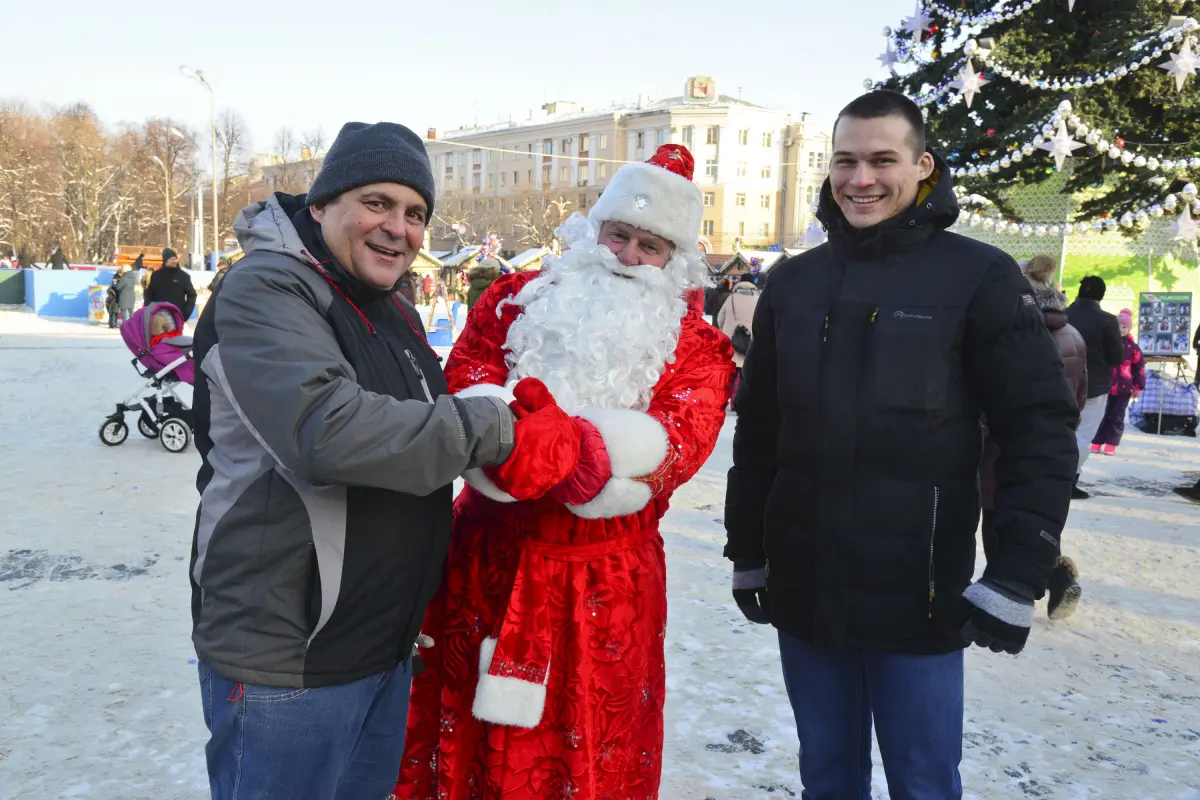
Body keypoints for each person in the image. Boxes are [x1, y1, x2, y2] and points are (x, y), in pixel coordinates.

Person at [189, 120, 580, 800]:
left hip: (381, 647)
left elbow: (425, 420)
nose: (398, 227)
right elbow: (325, 432)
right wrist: (497, 427)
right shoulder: (266, 290)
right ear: (321, 204)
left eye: (415, 213)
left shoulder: (388, 306)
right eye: (376, 202)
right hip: (290, 655)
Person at [723, 90, 1078, 799]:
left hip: (920, 595)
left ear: (922, 167)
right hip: (806, 588)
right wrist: (748, 553)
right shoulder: (793, 283)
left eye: (883, 160)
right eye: (846, 161)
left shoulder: (977, 276)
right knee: (827, 775)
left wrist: (1016, 573)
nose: (862, 180)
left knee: (922, 781)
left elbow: (1036, 429)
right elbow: (760, 432)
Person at [394, 144, 734, 800]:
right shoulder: (515, 298)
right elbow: (465, 373)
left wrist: (580, 453)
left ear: (676, 259)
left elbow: (679, 447)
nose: (629, 257)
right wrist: (507, 436)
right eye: (619, 235)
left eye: (652, 246)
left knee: (590, 740)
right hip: (487, 558)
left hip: (607, 585)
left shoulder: (698, 349)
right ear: (593, 231)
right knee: (465, 726)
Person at [980, 255, 1086, 621]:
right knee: (1035, 518)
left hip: (1002, 442)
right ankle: (1054, 571)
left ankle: (1039, 583)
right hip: (1053, 441)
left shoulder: (1014, 331)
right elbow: (1080, 392)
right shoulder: (1074, 335)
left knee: (1001, 525)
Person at [1067, 275, 1123, 499]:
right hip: (1094, 385)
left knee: (1061, 433)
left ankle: (1053, 477)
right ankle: (1069, 479)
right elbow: (1116, 356)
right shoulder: (1107, 320)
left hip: (1062, 383)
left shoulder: (1064, 315)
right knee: (1084, 436)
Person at [1091, 308, 1145, 456]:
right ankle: (1096, 441)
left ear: (1129, 328)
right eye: (1118, 326)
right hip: (1105, 386)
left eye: (1124, 327)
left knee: (1117, 416)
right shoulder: (1106, 343)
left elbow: (1139, 368)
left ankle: (1111, 443)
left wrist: (1138, 386)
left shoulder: (1133, 348)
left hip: (1123, 389)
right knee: (1101, 414)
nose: (1120, 329)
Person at [717, 278, 759, 404]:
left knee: (729, 371)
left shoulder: (731, 299)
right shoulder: (757, 300)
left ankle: (723, 397)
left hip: (729, 339)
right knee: (744, 372)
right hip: (749, 341)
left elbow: (720, 318)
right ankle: (738, 400)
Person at [143, 248, 197, 321]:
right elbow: (149, 295)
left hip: (177, 317)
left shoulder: (183, 276)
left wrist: (185, 313)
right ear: (165, 260)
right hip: (158, 317)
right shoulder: (156, 275)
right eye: (171, 259)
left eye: (175, 259)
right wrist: (148, 311)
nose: (174, 261)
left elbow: (192, 295)